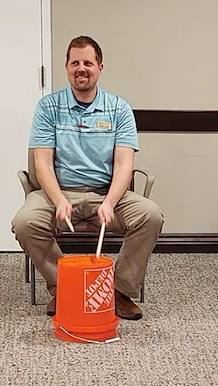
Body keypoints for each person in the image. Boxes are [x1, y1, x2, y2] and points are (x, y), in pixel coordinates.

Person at [12, 35, 164, 321]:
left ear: (100, 67)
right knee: (25, 222)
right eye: (75, 63)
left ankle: (118, 290)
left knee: (150, 215)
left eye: (88, 63)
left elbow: (124, 167)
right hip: (58, 193)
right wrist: (58, 199)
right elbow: (42, 164)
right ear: (67, 67)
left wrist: (109, 202)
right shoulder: (48, 107)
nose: (81, 68)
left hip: (106, 194)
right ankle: (65, 287)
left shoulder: (119, 108)